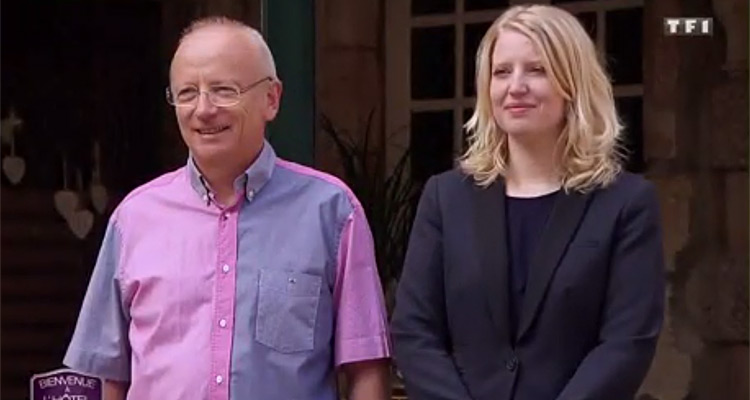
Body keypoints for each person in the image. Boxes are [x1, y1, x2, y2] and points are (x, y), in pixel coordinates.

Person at [64, 17, 391, 400]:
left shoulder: (332, 212)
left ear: (272, 99)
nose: (203, 109)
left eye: (223, 90)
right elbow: (103, 375)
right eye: (186, 93)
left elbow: (366, 371)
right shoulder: (134, 219)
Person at [391, 5, 665, 400]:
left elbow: (627, 340)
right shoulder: (445, 198)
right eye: (502, 72)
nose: (515, 86)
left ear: (573, 83)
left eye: (536, 70)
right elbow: (415, 331)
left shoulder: (626, 203)